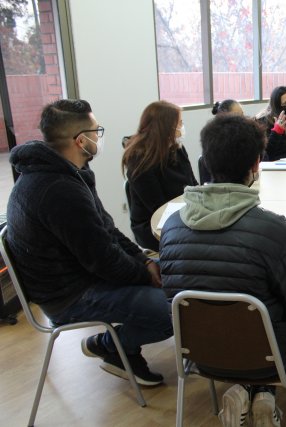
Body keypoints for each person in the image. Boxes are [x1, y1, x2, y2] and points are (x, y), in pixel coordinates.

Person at [159, 114, 286, 427]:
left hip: (200, 354)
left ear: (206, 162)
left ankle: (250, 390)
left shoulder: (172, 226)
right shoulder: (271, 228)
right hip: (267, 357)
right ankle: (263, 391)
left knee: (249, 321)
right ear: (256, 165)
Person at [6, 99, 172, 386]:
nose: (99, 136)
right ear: (81, 140)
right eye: (97, 131)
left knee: (175, 274)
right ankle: (110, 345)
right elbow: (103, 260)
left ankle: (121, 350)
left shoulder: (69, 174)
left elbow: (107, 231)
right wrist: (146, 275)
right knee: (175, 311)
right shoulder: (58, 190)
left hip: (83, 276)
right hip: (69, 297)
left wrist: (144, 261)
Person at [121, 100, 198, 251]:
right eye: (179, 123)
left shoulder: (177, 148)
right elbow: (157, 207)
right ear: (165, 127)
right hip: (153, 225)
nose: (182, 127)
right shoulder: (140, 160)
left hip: (183, 214)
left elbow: (193, 184)